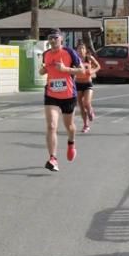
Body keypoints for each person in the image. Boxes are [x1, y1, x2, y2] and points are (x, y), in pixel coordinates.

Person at [39, 29, 81, 172]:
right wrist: (42, 70)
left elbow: (81, 70)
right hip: (51, 94)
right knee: (51, 126)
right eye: (50, 38)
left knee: (69, 126)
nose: (52, 41)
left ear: (61, 39)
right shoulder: (46, 54)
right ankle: (53, 158)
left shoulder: (69, 52)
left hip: (68, 95)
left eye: (55, 38)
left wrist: (65, 69)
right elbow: (42, 70)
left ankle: (71, 143)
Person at [75, 42, 100, 133]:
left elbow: (98, 66)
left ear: (85, 50)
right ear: (76, 50)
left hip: (87, 83)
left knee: (86, 102)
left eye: (83, 48)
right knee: (81, 106)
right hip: (77, 84)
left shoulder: (89, 58)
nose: (81, 50)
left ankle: (90, 110)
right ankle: (86, 125)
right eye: (79, 49)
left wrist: (92, 71)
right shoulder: (75, 59)